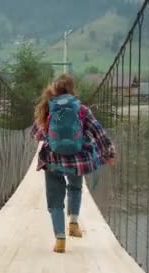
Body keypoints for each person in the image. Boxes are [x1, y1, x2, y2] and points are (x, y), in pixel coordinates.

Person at [30, 74, 116, 253]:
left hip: (52, 159)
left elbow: (35, 135)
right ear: (72, 89)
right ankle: (74, 223)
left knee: (55, 199)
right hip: (78, 160)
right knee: (75, 188)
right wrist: (108, 153)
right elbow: (98, 131)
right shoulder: (82, 110)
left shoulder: (48, 108)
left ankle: (60, 239)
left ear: (53, 89)